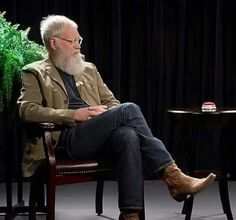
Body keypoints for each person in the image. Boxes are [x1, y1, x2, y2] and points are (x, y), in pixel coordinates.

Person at [17, 15, 216, 220]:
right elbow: (27, 110)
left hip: (95, 135)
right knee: (129, 109)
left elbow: (112, 103)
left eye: (79, 40)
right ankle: (174, 178)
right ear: (54, 42)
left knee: (127, 135)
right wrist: (73, 115)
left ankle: (130, 214)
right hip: (65, 138)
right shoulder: (35, 72)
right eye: (73, 41)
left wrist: (105, 115)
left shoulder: (88, 69)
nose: (78, 46)